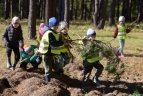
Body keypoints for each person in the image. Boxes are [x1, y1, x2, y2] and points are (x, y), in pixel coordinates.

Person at [38, 17, 64, 83]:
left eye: (57, 26)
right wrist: (63, 42)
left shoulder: (53, 32)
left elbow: (56, 41)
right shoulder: (49, 33)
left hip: (51, 53)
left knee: (56, 65)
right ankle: (47, 81)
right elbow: (54, 43)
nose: (56, 27)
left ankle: (60, 78)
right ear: (51, 26)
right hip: (46, 53)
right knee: (48, 68)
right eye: (55, 26)